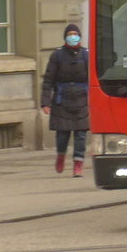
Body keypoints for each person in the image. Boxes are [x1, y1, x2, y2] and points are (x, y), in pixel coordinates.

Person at [41, 23, 90, 176]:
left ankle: (78, 164)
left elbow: (93, 79)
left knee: (81, 135)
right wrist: (45, 102)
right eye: (70, 35)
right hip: (62, 100)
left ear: (80, 37)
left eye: (75, 34)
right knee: (62, 134)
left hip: (82, 100)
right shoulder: (57, 55)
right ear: (65, 37)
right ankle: (61, 155)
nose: (73, 37)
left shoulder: (86, 55)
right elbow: (48, 80)